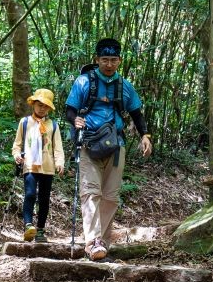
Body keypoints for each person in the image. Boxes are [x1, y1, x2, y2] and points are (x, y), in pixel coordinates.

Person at [64, 38, 152, 261]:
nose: (109, 64)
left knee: (110, 196)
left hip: (116, 146)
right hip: (89, 144)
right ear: (97, 59)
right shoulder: (84, 82)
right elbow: (69, 110)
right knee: (91, 192)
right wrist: (76, 121)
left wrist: (145, 136)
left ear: (120, 61)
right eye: (105, 59)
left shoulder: (125, 86)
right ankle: (92, 242)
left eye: (113, 60)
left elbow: (136, 114)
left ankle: (102, 243)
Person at [11, 88, 65, 242]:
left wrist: (60, 162)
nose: (42, 108)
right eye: (39, 104)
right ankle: (29, 226)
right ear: (33, 104)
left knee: (44, 199)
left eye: (45, 106)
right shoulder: (25, 122)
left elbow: (57, 147)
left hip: (47, 167)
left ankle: (40, 230)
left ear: (49, 108)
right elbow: (17, 144)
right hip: (30, 165)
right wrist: (16, 155)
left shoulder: (53, 125)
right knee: (29, 194)